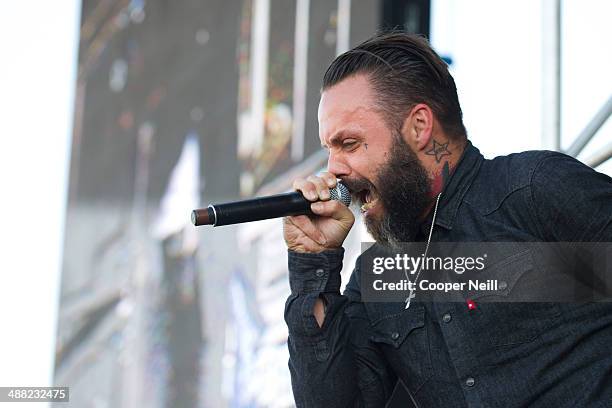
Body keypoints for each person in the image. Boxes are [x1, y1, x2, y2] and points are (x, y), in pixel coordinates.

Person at [283, 32, 612, 407]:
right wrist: (313, 262)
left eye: (349, 144)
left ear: (419, 127)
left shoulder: (532, 191)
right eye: (329, 149)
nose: (333, 169)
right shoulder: (379, 273)